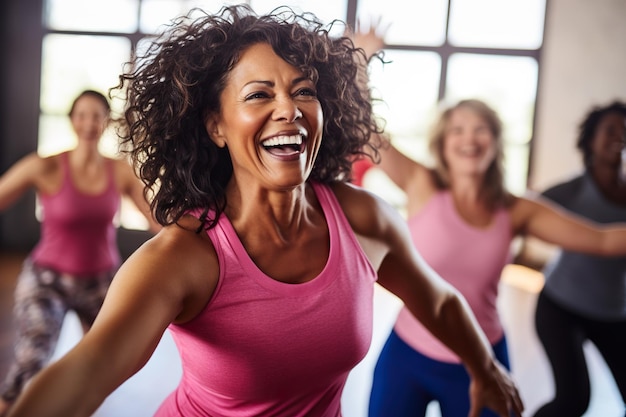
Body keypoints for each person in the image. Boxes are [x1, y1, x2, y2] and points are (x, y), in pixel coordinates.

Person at [4, 5, 525, 417]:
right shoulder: (184, 256)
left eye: (304, 92)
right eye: (259, 94)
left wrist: (484, 368)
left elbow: (438, 301)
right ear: (215, 125)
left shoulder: (362, 217)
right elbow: (88, 370)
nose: (289, 109)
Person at [360, 95, 626, 415]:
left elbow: (601, 240)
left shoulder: (516, 210)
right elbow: (368, 129)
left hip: (482, 360)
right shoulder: (421, 182)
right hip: (408, 353)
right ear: (443, 143)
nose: (469, 138)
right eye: (458, 129)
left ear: (497, 142)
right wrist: (364, 59)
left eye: (481, 129)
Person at [0, 89, 159, 415]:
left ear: (106, 122)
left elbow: (157, 220)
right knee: (31, 360)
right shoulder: (45, 167)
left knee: (103, 365)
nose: (89, 123)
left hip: (99, 282)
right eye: (82, 115)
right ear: (73, 121)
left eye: (97, 116)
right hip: (47, 280)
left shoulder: (119, 171)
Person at [531, 101, 626, 417]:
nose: (620, 136)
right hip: (561, 307)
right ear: (591, 141)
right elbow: (524, 212)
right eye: (611, 129)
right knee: (572, 401)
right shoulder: (570, 192)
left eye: (625, 130)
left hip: (613, 312)